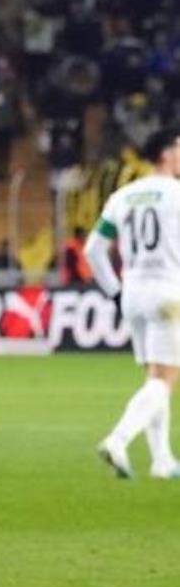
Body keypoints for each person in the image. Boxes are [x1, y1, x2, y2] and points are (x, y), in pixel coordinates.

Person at [88, 126, 180, 480]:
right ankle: (118, 439)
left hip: (132, 295)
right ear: (166, 154)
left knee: (154, 377)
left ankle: (162, 459)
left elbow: (93, 250)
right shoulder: (175, 195)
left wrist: (114, 292)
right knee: (165, 379)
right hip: (168, 294)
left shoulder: (124, 196)